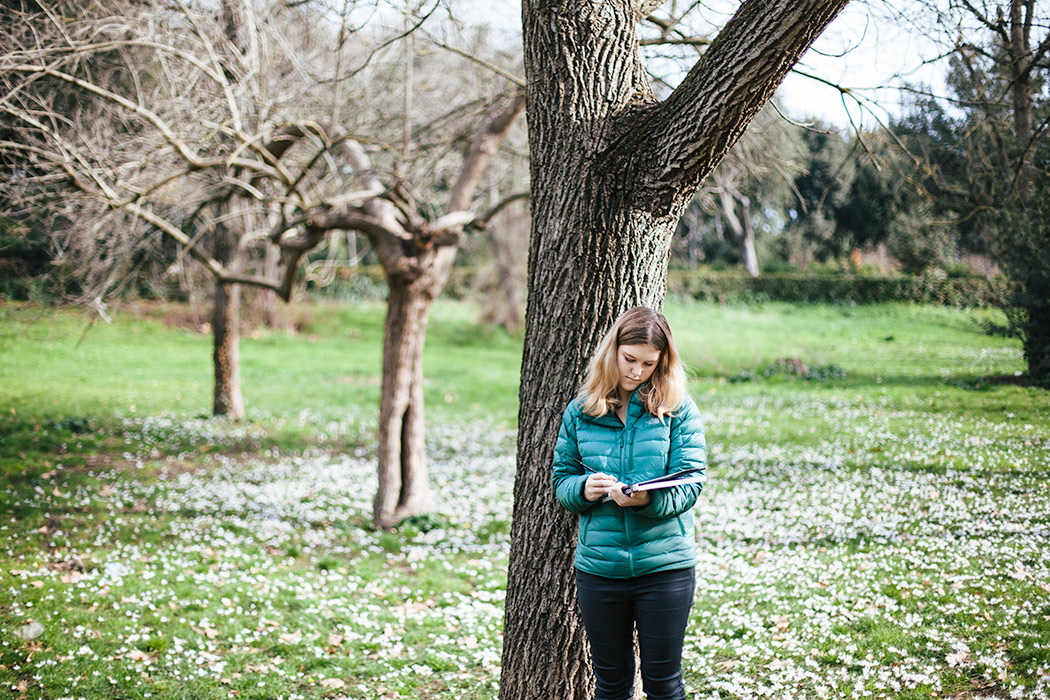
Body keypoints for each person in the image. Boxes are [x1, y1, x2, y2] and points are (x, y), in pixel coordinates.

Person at [552, 305, 706, 700]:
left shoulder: (677, 410)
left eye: (648, 364)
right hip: (600, 572)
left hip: (665, 569)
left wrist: (644, 500)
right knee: (611, 686)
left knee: (664, 685)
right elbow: (561, 481)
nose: (637, 372)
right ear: (613, 352)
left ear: (662, 362)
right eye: (629, 360)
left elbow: (690, 484)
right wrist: (583, 489)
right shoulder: (581, 411)